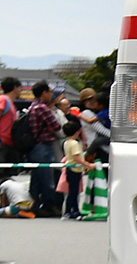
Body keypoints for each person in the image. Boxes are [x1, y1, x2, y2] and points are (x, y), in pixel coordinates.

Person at [23, 82, 62, 217]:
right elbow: (56, 126)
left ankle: (34, 205)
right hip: (43, 146)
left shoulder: (32, 106)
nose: (51, 95)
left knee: (36, 178)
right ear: (44, 93)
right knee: (47, 179)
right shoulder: (42, 108)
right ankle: (49, 206)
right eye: (50, 92)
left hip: (35, 146)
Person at [60, 118, 93, 219]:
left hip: (70, 168)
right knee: (74, 192)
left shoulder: (67, 142)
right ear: (77, 132)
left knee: (72, 191)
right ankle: (72, 211)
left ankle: (71, 210)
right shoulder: (74, 143)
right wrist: (87, 164)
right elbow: (76, 157)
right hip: (75, 169)